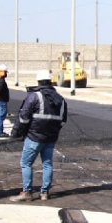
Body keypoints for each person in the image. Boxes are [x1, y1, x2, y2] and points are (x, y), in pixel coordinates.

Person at [10, 70, 67, 202]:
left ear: (38, 82)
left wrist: (17, 132)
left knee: (26, 163)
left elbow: (23, 117)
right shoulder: (60, 99)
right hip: (51, 137)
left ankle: (27, 192)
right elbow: (63, 120)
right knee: (47, 164)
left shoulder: (35, 96)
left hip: (34, 136)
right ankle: (44, 193)